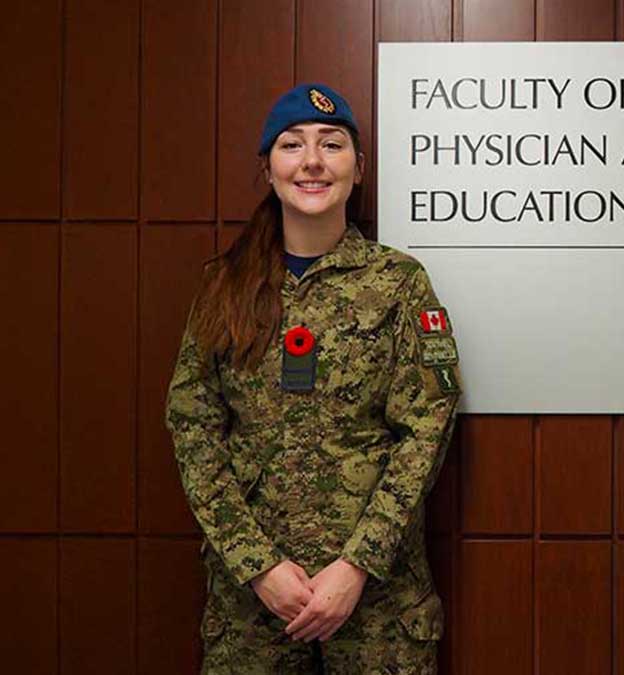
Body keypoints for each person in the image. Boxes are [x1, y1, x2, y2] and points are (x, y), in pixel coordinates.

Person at [164, 83, 461, 674]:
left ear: (357, 169)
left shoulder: (398, 283)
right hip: (254, 609)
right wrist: (258, 565)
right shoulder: (225, 286)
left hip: (377, 604)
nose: (313, 161)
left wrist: (356, 566)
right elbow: (192, 428)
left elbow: (427, 429)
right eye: (292, 145)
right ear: (269, 169)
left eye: (333, 144)